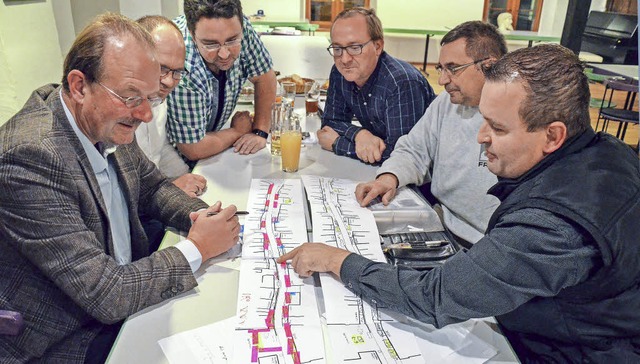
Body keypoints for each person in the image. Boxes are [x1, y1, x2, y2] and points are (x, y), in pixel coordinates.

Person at [279, 44, 640, 363]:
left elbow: (435, 297)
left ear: (553, 135)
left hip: (570, 349)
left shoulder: (552, 226)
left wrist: (337, 260)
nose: (481, 137)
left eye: (497, 128)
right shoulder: (608, 152)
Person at [0, 13, 241, 363]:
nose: (145, 114)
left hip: (122, 296)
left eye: (149, 97)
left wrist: (201, 218)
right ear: (79, 85)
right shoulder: (30, 158)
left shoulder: (104, 114)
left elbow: (153, 187)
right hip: (67, 336)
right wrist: (198, 248)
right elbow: (106, 293)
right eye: (131, 98)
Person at [355, 21, 506, 246]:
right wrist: (389, 177)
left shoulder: (518, 115)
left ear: (489, 66)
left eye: (453, 68)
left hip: (487, 244)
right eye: (441, 69)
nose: (443, 80)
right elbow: (415, 149)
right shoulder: (447, 102)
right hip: (440, 225)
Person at [318, 7, 435, 164]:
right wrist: (359, 134)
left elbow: (402, 156)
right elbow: (330, 123)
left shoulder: (401, 82)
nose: (344, 59)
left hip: (422, 179)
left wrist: (338, 144)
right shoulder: (340, 73)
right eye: (337, 48)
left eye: (355, 47)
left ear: (378, 46)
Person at [167, 0, 276, 164]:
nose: (224, 54)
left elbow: (265, 76)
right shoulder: (183, 64)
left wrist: (260, 132)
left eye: (232, 40)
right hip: (174, 160)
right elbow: (193, 148)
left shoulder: (238, 26)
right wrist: (238, 131)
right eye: (211, 44)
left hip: (212, 141)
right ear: (192, 33)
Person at [135, 15, 206, 197]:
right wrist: (171, 188)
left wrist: (188, 177)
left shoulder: (158, 99)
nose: (168, 81)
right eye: (161, 68)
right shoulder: (116, 111)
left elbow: (160, 150)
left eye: (177, 72)